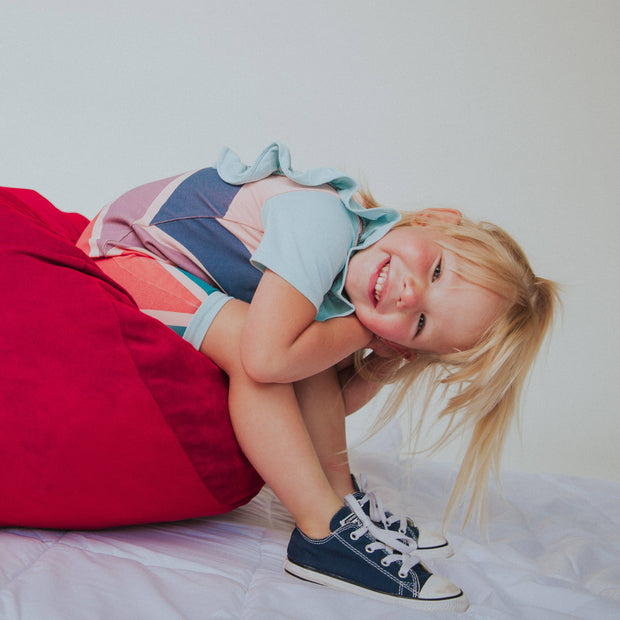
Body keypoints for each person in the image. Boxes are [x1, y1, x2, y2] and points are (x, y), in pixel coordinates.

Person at [77, 143, 558, 612]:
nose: (410, 296)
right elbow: (266, 363)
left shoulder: (353, 269)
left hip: (172, 267)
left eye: (421, 324)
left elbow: (321, 401)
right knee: (262, 349)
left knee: (304, 346)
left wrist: (384, 359)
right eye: (436, 271)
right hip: (123, 254)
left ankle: (340, 498)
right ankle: (321, 533)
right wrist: (360, 329)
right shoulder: (324, 221)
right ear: (434, 220)